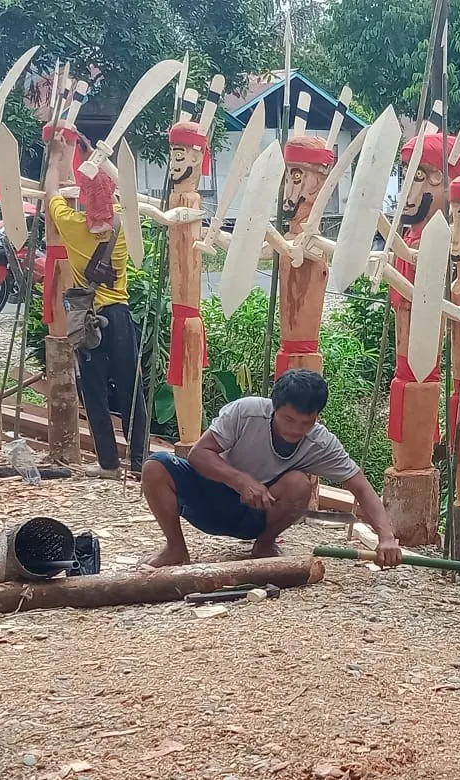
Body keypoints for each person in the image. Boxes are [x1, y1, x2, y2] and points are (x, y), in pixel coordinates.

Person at [142, 369, 403, 568]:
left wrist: (386, 537)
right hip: (209, 501)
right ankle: (176, 549)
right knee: (155, 467)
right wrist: (241, 481)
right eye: (288, 419)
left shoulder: (321, 442)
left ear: (317, 418)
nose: (295, 429)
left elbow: (361, 486)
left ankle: (265, 544)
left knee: (300, 483)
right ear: (273, 407)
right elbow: (199, 454)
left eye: (306, 423)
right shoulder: (245, 412)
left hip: (257, 514)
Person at [45, 133, 149, 478]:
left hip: (88, 319)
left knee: (94, 392)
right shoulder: (121, 222)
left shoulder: (74, 226)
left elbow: (52, 194)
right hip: (119, 316)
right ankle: (139, 461)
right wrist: (93, 156)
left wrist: (60, 156)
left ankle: (108, 463)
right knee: (133, 392)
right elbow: (116, 190)